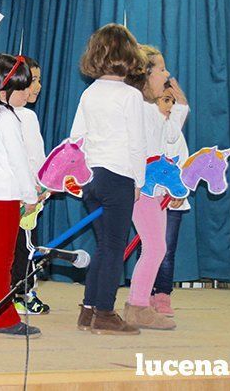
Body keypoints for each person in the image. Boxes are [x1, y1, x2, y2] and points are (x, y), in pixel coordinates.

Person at [69, 23, 147, 335]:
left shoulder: (89, 93)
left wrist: (79, 177)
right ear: (129, 55)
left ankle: (88, 310)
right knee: (114, 246)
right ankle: (104, 311)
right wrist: (138, 181)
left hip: (92, 177)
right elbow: (137, 142)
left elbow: (77, 137)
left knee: (104, 245)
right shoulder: (130, 95)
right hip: (118, 176)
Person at [0, 54, 42, 338]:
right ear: (4, 92)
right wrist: (30, 196)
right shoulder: (7, 120)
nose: (29, 92)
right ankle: (2, 318)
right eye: (23, 87)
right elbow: (19, 161)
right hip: (5, 196)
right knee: (2, 260)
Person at [123, 45, 187, 330]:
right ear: (145, 73)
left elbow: (170, 136)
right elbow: (140, 150)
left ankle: (137, 304)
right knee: (155, 247)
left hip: (154, 189)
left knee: (156, 247)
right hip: (142, 188)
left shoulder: (154, 109)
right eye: (161, 69)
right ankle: (137, 304)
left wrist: (181, 105)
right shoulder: (141, 106)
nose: (167, 73)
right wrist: (142, 182)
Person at [11, 56, 50, 315]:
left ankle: (17, 290)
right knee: (22, 246)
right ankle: (21, 293)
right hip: (19, 194)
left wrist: (46, 181)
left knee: (25, 244)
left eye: (38, 80)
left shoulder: (30, 117)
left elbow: (37, 156)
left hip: (34, 192)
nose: (36, 87)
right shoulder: (8, 116)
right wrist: (28, 190)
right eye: (31, 80)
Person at [150, 87, 191, 317]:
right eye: (165, 100)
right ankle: (144, 292)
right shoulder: (147, 128)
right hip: (150, 200)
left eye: (172, 101)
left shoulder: (176, 134)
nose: (169, 106)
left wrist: (179, 192)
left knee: (167, 249)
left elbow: (183, 166)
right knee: (148, 248)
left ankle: (163, 295)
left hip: (173, 202)